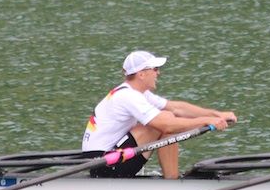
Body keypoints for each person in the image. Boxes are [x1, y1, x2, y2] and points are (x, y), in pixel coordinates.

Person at [82, 51, 236, 178]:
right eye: (155, 69)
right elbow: (167, 125)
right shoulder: (128, 96)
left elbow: (176, 108)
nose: (158, 73)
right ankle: (172, 183)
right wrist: (207, 121)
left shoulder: (136, 92)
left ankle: (172, 179)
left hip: (104, 159)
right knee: (161, 125)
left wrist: (216, 114)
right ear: (141, 74)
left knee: (166, 117)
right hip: (103, 165)